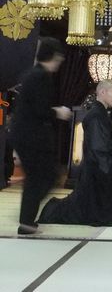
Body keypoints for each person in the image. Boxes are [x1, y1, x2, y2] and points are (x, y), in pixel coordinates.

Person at [38, 80, 112, 226]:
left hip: (97, 167)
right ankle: (51, 211)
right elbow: (98, 146)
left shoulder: (101, 113)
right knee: (81, 208)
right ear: (102, 92)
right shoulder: (95, 115)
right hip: (95, 169)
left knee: (87, 206)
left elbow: (103, 141)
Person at [10, 37, 72, 235]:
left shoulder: (32, 74)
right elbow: (40, 109)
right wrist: (58, 112)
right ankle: (26, 220)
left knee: (38, 178)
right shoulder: (41, 77)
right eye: (59, 58)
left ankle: (27, 220)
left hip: (24, 135)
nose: (59, 62)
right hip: (32, 136)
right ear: (53, 57)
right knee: (44, 177)